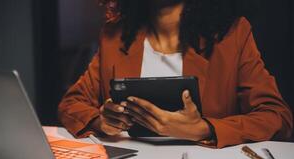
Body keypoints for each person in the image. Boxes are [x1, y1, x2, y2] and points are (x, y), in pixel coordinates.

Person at [58, 0, 293, 148]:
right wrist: (102, 122)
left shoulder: (233, 34)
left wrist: (204, 129)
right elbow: (71, 104)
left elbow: (277, 117)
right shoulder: (114, 34)